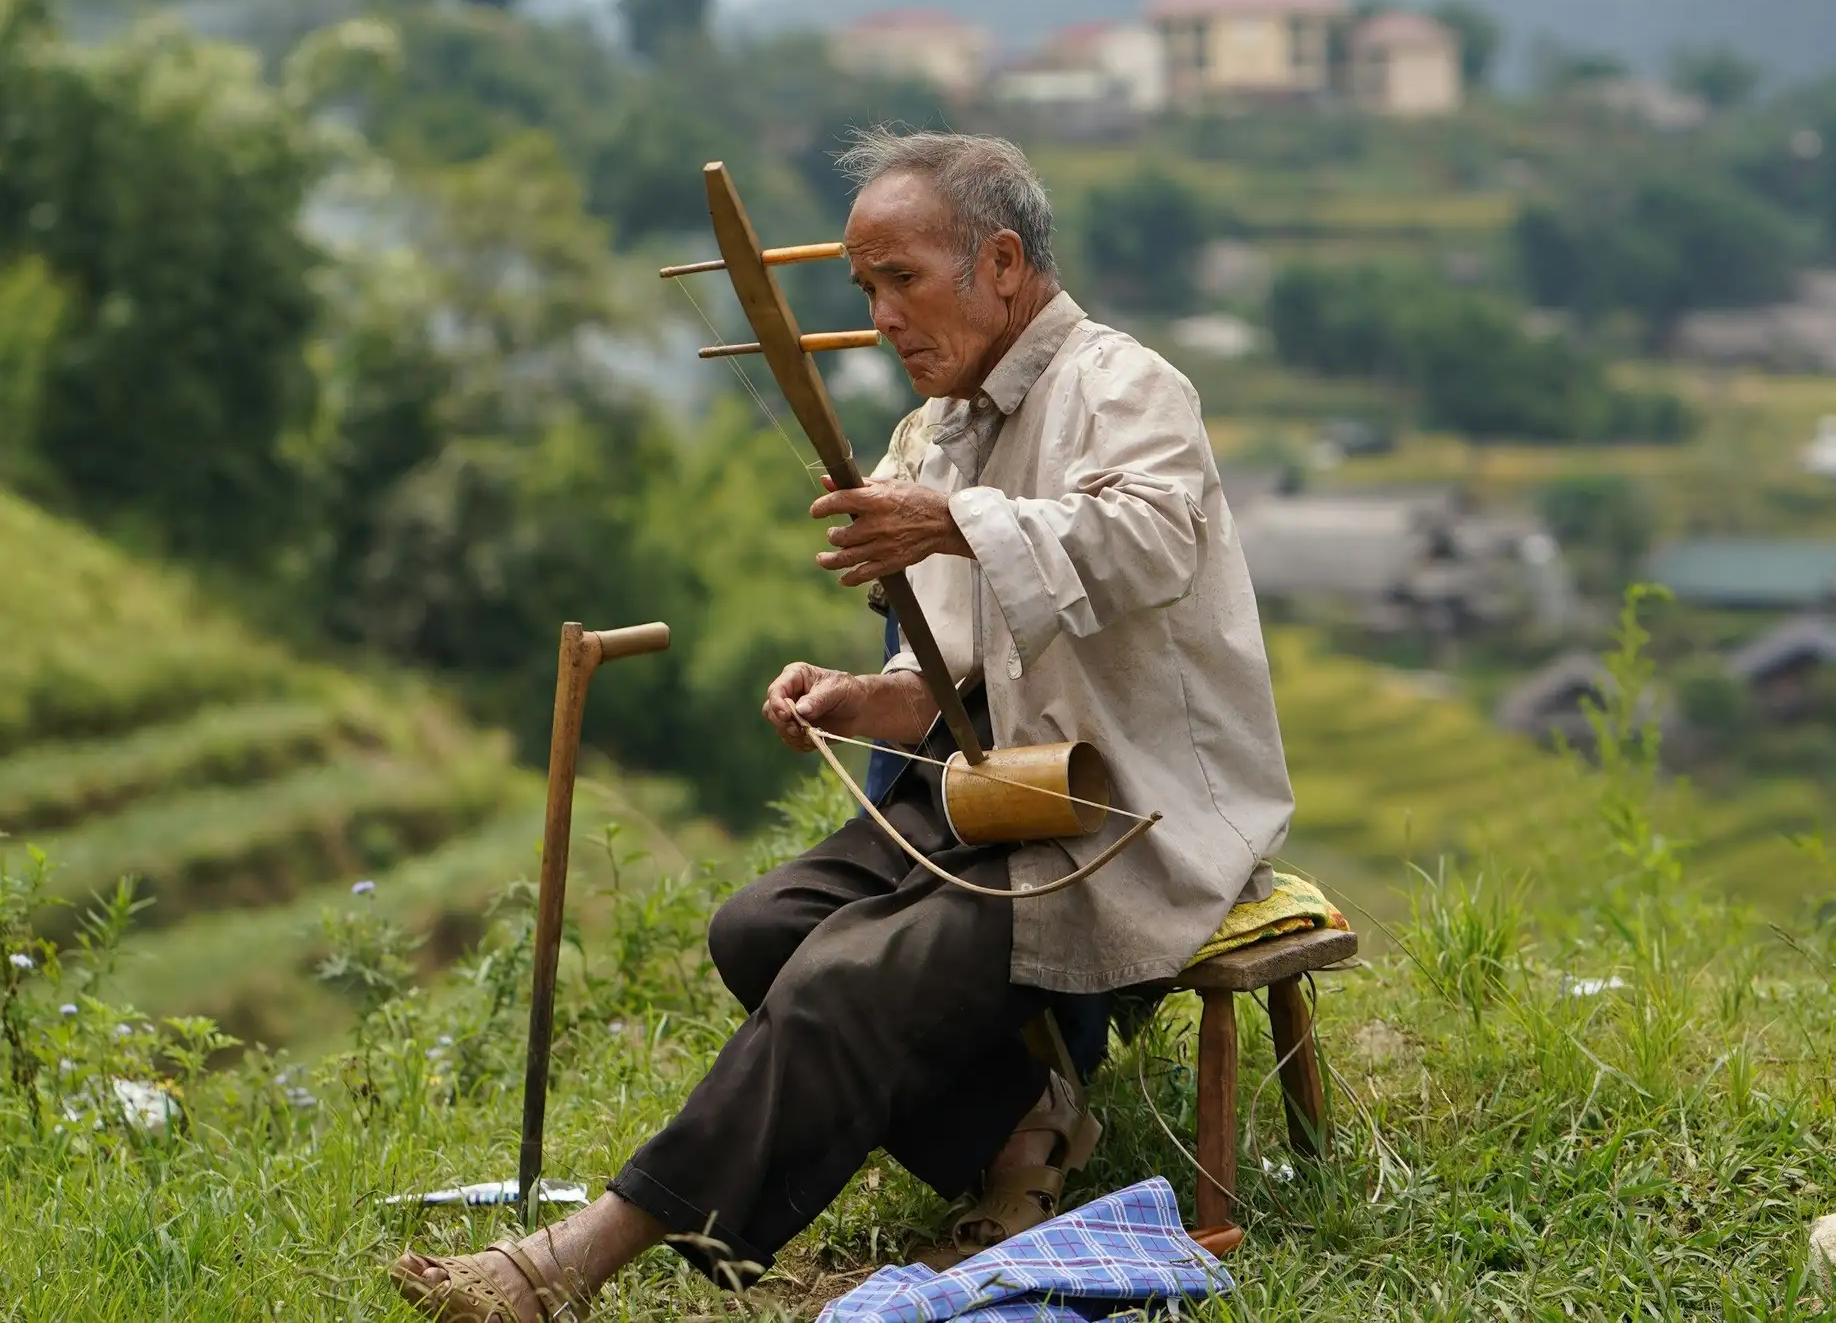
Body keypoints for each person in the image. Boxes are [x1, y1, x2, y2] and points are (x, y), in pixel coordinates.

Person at [391, 130, 1292, 1320]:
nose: (878, 318)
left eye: (901, 279)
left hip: (1124, 810)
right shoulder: (940, 429)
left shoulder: (1122, 386)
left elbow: (1155, 538)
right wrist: (861, 697)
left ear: (1004, 262)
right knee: (757, 928)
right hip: (989, 790)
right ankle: (1026, 1125)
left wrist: (953, 519)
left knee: (839, 981)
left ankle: (577, 1256)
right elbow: (961, 678)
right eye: (864, 288)